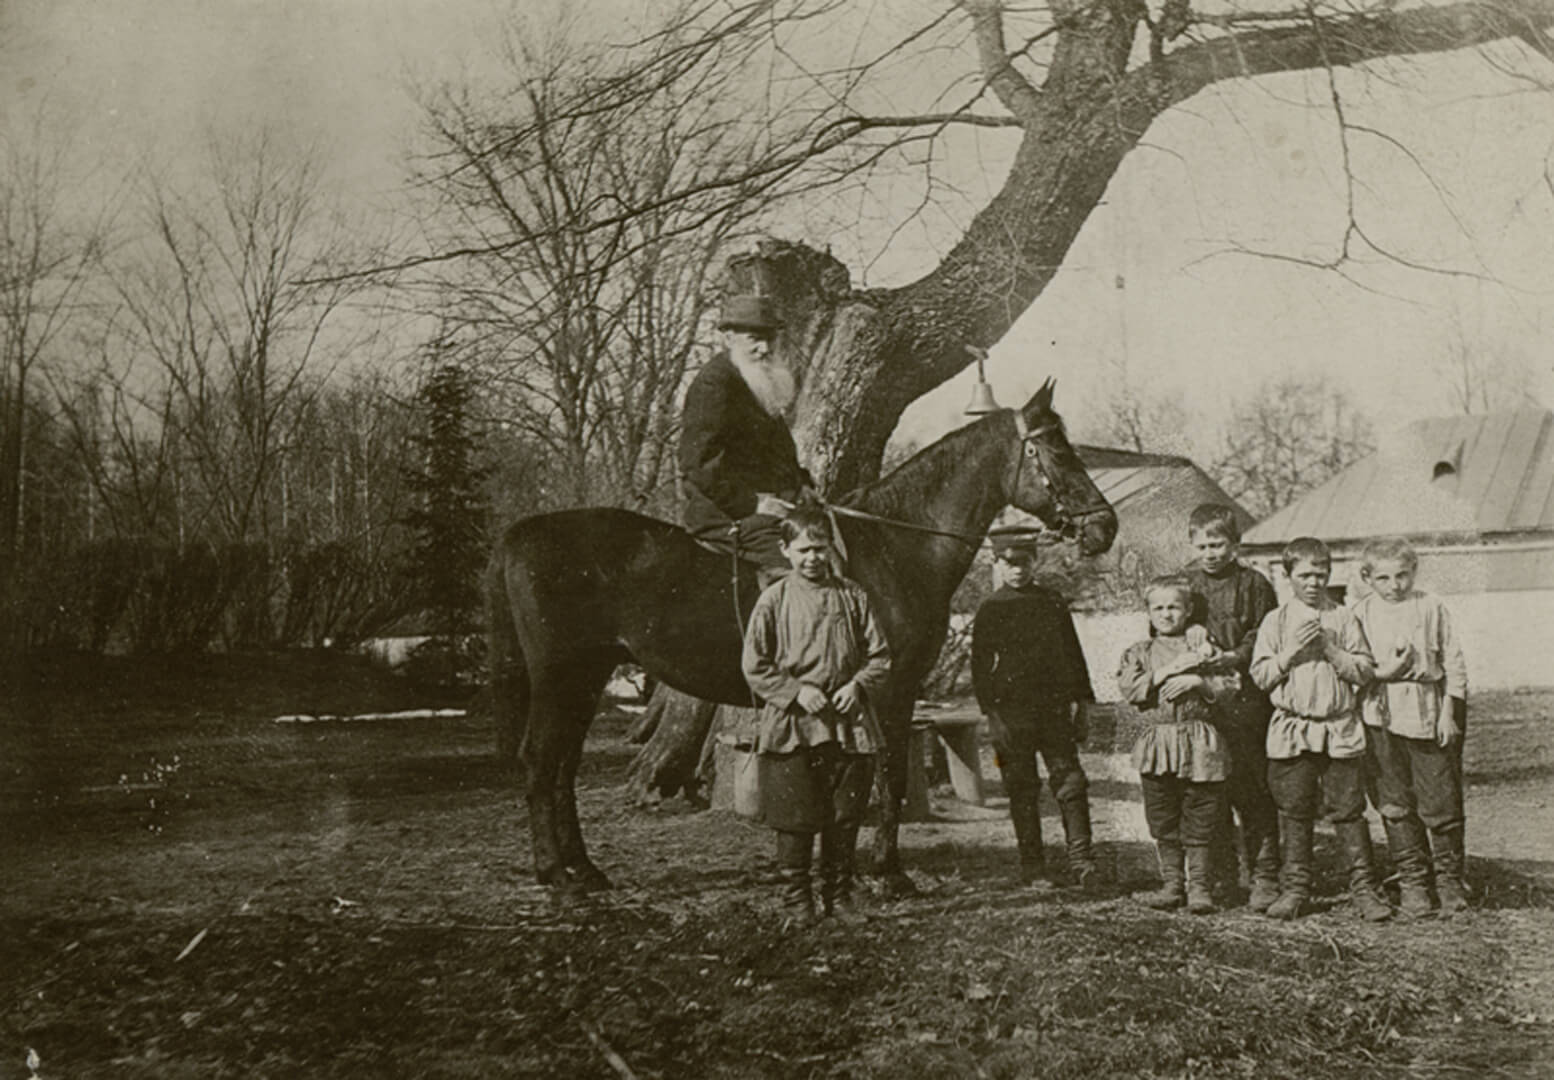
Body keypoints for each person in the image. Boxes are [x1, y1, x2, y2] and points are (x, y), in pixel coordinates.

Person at [741, 507, 892, 926]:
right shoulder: (774, 599)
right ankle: (798, 903)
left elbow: (880, 656)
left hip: (849, 726)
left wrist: (857, 685)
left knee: (844, 816)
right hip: (794, 727)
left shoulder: (853, 596)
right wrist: (794, 692)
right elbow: (754, 665)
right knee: (796, 817)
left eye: (820, 548)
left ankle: (839, 897)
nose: (813, 558)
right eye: (804, 549)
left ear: (831, 548)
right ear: (786, 550)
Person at [1250, 537, 1390, 922]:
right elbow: (1260, 676)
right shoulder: (1275, 622)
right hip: (1292, 731)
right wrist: (1291, 652)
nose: (1313, 583)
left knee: (1348, 810)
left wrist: (1331, 650)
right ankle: (1295, 888)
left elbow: (1364, 671)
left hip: (1339, 727)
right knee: (1295, 810)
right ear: (1287, 575)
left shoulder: (1344, 618)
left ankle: (1363, 889)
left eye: (1321, 575)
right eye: (1305, 575)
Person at [970, 527, 1098, 890]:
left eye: (1024, 562)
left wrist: (1082, 703)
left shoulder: (1052, 601)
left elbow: (1073, 655)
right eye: (1008, 563)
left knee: (1071, 782)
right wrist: (992, 716)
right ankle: (1034, 867)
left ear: (1035, 562)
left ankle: (1082, 861)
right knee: (1021, 788)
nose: (1017, 570)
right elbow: (980, 669)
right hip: (1011, 715)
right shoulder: (991, 609)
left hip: (1053, 710)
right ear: (996, 563)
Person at [1352, 537, 1470, 918]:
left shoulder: (1430, 606)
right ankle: (1413, 883)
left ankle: (1450, 881)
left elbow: (1453, 661)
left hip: (1426, 708)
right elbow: (1355, 667)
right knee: (1394, 799)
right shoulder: (1360, 612)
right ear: (1367, 578)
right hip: (1379, 712)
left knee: (1439, 796)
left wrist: (1449, 708)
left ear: (1413, 572)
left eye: (1402, 575)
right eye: (1383, 578)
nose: (1394, 585)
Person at [1181, 504, 1282, 912]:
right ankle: (1220, 877)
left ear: (1235, 543)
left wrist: (1236, 656)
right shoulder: (1185, 585)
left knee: (1252, 789)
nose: (1211, 552)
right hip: (1203, 704)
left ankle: (1264, 875)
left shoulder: (1254, 583)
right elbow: (1162, 626)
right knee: (1210, 789)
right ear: (1192, 544)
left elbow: (1267, 631)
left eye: (1218, 543)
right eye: (1203, 544)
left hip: (1246, 701)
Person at [1116, 576, 1235, 914]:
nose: (1167, 614)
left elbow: (1230, 686)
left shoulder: (1203, 646)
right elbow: (1132, 689)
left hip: (1200, 742)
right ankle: (1172, 884)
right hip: (1158, 742)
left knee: (1201, 814)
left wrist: (1198, 679)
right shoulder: (1139, 652)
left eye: (1174, 607)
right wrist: (1171, 669)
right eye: (1159, 608)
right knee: (1163, 815)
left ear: (1188, 610)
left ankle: (1200, 886)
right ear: (1149, 613)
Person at [679, 294, 813, 575]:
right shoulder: (714, 385)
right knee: (807, 566)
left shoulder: (757, 379)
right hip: (726, 517)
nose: (764, 348)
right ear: (729, 338)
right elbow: (698, 466)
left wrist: (802, 485)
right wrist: (755, 503)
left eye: (770, 339)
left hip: (771, 510)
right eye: (754, 338)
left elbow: (778, 452)